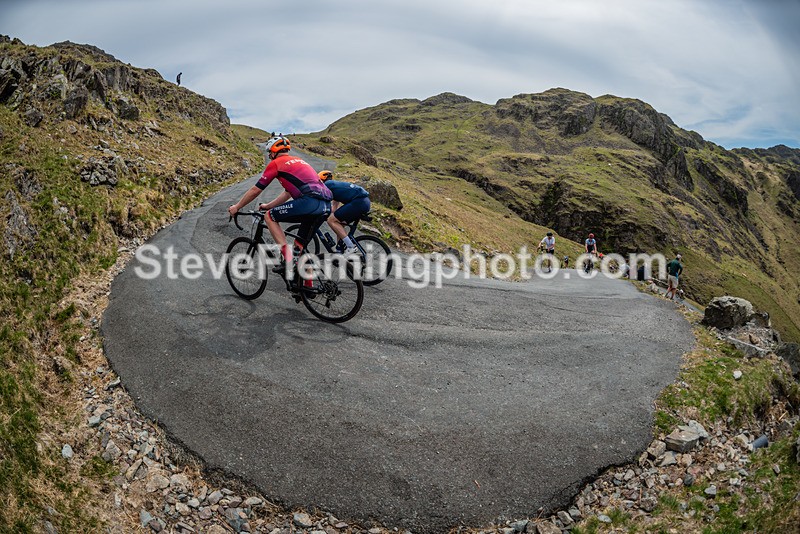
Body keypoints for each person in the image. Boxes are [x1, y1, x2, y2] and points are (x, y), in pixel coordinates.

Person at [227, 136, 332, 278]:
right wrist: (268, 205)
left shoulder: (276, 163)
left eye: (269, 153)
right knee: (299, 249)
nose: (269, 156)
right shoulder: (300, 161)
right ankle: (308, 288)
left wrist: (237, 207)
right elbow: (288, 193)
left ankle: (288, 259)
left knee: (269, 216)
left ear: (274, 151)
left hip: (309, 202)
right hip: (325, 206)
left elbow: (256, 190)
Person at [318, 170, 371, 253]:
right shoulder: (334, 186)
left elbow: (320, 203)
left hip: (359, 202)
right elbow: (334, 209)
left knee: (331, 220)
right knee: (339, 223)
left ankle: (350, 246)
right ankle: (340, 249)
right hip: (364, 202)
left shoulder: (327, 185)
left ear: (321, 180)